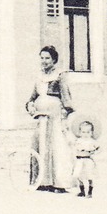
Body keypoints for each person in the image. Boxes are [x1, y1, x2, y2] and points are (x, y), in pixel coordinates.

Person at [25, 45, 75, 193]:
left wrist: (66, 111)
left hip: (55, 117)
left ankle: (59, 183)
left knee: (56, 146)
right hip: (41, 118)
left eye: (47, 58)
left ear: (54, 60)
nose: (44, 61)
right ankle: (41, 182)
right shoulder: (39, 77)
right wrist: (30, 105)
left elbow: (66, 96)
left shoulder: (60, 76)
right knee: (40, 145)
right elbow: (32, 97)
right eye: (42, 58)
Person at [70, 117, 100, 198]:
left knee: (89, 175)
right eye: (83, 132)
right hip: (79, 160)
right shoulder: (78, 141)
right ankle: (82, 191)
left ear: (91, 132)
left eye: (88, 132)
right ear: (80, 132)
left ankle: (90, 191)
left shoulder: (92, 141)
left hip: (88, 160)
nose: (85, 134)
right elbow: (73, 147)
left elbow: (98, 149)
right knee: (78, 175)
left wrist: (93, 151)